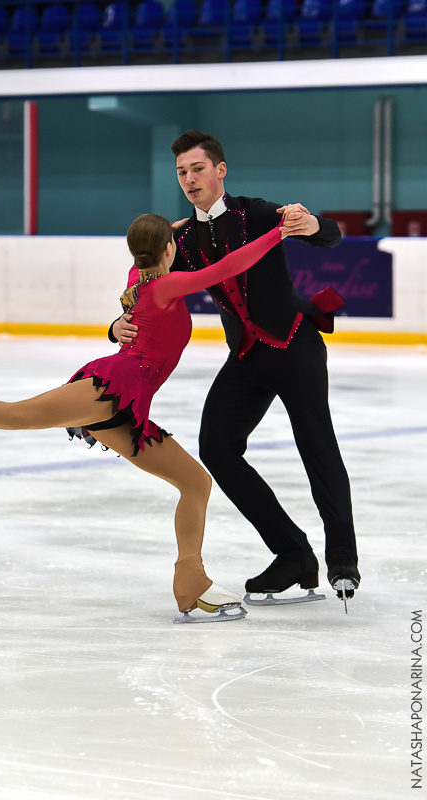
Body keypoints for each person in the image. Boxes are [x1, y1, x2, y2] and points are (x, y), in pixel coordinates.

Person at [0, 212, 287, 618]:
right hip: (115, 385)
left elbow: (157, 245)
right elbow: (228, 266)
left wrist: (177, 228)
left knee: (195, 482)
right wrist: (277, 234)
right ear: (170, 250)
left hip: (130, 405)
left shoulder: (137, 279)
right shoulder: (164, 286)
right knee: (20, 414)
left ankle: (190, 584)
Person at [110, 130, 360, 608]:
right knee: (218, 450)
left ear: (220, 170)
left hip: (295, 345)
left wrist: (311, 225)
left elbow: (330, 235)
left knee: (316, 442)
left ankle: (342, 560)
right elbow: (143, 291)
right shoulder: (178, 239)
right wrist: (117, 324)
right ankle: (293, 554)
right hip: (246, 355)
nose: (189, 178)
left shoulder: (259, 212)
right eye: (182, 172)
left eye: (198, 168)